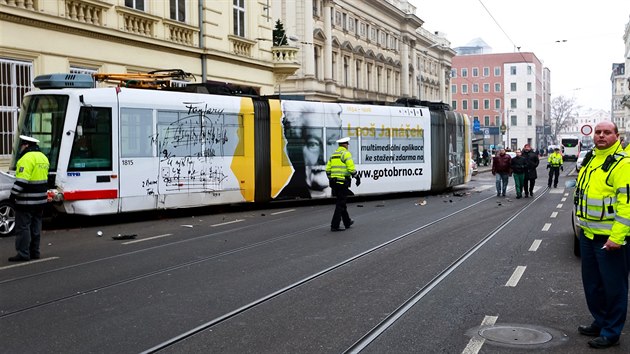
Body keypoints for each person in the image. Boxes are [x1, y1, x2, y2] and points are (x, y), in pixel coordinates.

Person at [574, 121, 630, 349]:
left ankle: (611, 332)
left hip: (609, 238)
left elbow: (626, 204)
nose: (601, 135)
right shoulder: (590, 158)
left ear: (617, 136)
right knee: (593, 284)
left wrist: (617, 237)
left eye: (607, 132)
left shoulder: (623, 164)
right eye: (598, 132)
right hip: (588, 234)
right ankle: (600, 320)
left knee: (614, 287)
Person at [279, 101, 343, 199]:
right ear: (292, 152)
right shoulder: (286, 197)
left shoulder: (347, 194)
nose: (324, 158)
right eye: (313, 144)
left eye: (331, 142)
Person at [8, 135, 50, 262]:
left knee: (23, 227)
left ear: (26, 145)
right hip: (41, 200)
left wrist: (12, 196)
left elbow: (21, 181)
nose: (20, 148)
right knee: (36, 227)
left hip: (26, 200)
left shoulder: (26, 159)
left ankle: (23, 253)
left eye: (21, 145)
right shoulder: (43, 157)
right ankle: (35, 252)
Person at [326, 137, 360, 231]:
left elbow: (328, 170)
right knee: (340, 204)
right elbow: (350, 168)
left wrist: (331, 179)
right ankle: (334, 225)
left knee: (342, 203)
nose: (348, 146)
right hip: (342, 182)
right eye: (347, 144)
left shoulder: (333, 155)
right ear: (344, 144)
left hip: (334, 183)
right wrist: (357, 177)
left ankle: (347, 222)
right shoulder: (346, 154)